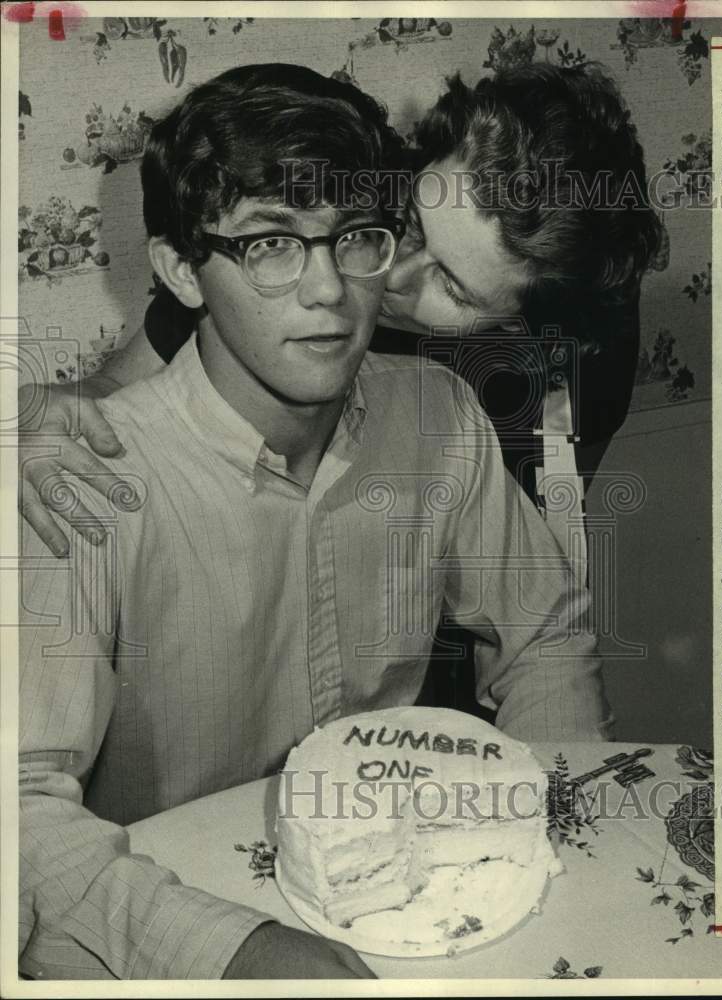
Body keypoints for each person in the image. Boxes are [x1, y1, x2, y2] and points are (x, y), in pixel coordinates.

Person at [19, 63, 609, 981]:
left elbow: (546, 637)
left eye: (357, 239)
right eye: (269, 245)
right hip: (157, 921)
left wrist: (512, 851)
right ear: (181, 270)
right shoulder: (79, 480)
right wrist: (235, 952)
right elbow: (17, 812)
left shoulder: (441, 415)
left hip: (401, 899)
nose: (330, 291)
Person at [19, 62, 658, 559]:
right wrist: (29, 422)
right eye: (405, 224)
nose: (389, 275)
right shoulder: (338, 204)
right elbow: (108, 391)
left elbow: (539, 544)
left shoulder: (581, 358)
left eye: (454, 290)